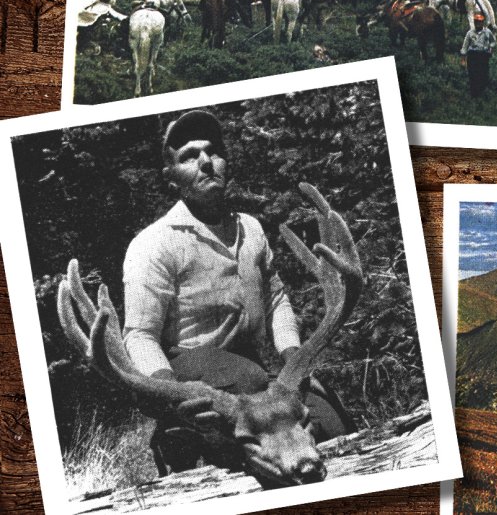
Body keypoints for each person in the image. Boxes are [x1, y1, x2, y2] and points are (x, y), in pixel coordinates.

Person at [122, 110, 353, 467]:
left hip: (252, 364)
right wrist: (174, 393)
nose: (205, 162)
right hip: (189, 367)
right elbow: (138, 335)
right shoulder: (154, 244)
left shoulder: (251, 229)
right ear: (170, 178)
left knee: (332, 419)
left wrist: (294, 356)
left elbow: (275, 299)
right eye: (188, 156)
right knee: (248, 380)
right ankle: (181, 436)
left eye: (213, 152)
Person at [460, 12, 496, 97]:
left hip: (483, 55)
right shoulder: (470, 33)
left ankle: (482, 92)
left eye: (480, 22)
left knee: (483, 74)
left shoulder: (487, 32)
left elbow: (493, 42)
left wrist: (491, 49)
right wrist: (463, 59)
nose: (478, 23)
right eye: (476, 21)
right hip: (473, 55)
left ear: (483, 22)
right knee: (472, 74)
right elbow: (465, 46)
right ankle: (474, 93)